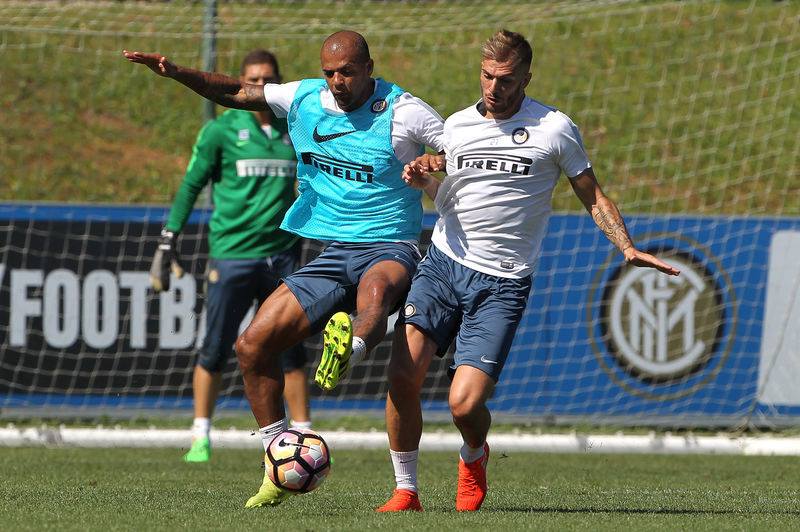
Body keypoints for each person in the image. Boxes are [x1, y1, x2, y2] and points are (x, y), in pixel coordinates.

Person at [124, 30, 445, 506]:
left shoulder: (404, 111)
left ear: (369, 68)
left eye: (347, 72)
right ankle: (278, 459)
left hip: (389, 245)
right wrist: (177, 73)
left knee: (375, 296)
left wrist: (436, 161)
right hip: (332, 253)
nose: (337, 81)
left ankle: (350, 348)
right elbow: (236, 91)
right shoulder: (304, 98)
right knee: (251, 345)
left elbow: (463, 150)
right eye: (329, 73)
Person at [377, 29, 681, 513]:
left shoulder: (554, 129)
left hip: (502, 283)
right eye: (486, 76)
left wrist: (626, 247)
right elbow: (452, 200)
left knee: (464, 405)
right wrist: (424, 179)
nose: (493, 88)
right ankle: (405, 490)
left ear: (526, 79)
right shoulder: (456, 125)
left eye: (505, 79)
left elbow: (593, 195)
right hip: (443, 265)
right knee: (402, 374)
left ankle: (474, 454)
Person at [149, 50, 312, 464]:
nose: (260, 85)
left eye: (268, 79)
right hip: (233, 254)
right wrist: (169, 238)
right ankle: (201, 436)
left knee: (291, 349)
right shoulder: (221, 131)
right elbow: (191, 185)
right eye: (253, 78)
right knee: (216, 347)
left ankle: (305, 434)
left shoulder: (296, 127)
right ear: (241, 81)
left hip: (283, 255)